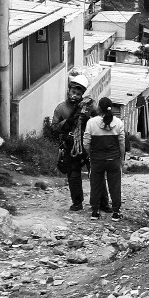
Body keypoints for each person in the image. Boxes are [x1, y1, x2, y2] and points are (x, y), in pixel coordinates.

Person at [83, 96, 126, 220]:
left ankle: (95, 212)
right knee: (115, 185)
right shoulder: (118, 122)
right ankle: (116, 213)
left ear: (99, 108)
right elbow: (122, 143)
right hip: (113, 160)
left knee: (96, 185)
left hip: (97, 160)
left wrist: (91, 155)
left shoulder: (91, 122)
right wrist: (121, 158)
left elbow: (86, 143)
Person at [52, 74, 91, 211]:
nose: (75, 95)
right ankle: (77, 202)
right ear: (69, 91)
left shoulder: (88, 107)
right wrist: (68, 122)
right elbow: (55, 127)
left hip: (88, 144)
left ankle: (101, 202)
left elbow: (99, 121)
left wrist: (88, 118)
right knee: (74, 174)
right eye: (73, 92)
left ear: (82, 95)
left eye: (78, 93)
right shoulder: (61, 108)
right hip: (70, 144)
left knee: (95, 173)